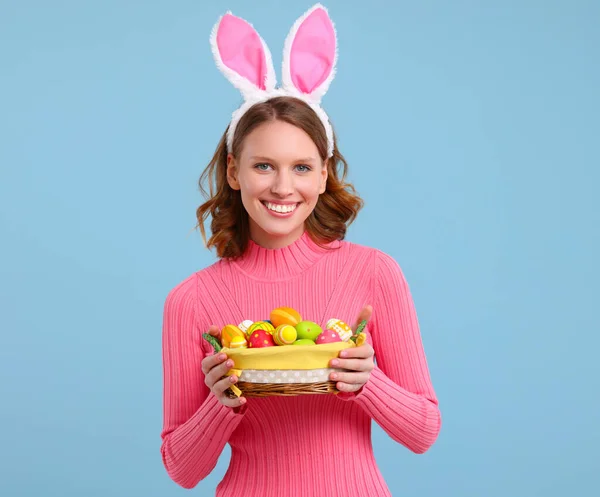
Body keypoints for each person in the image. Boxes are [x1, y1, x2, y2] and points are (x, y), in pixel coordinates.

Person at [160, 5, 441, 496]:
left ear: (325, 172)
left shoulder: (374, 273)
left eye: (302, 168)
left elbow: (423, 432)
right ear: (233, 172)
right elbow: (182, 471)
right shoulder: (191, 302)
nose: (283, 188)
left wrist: (367, 381)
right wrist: (219, 402)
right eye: (264, 166)